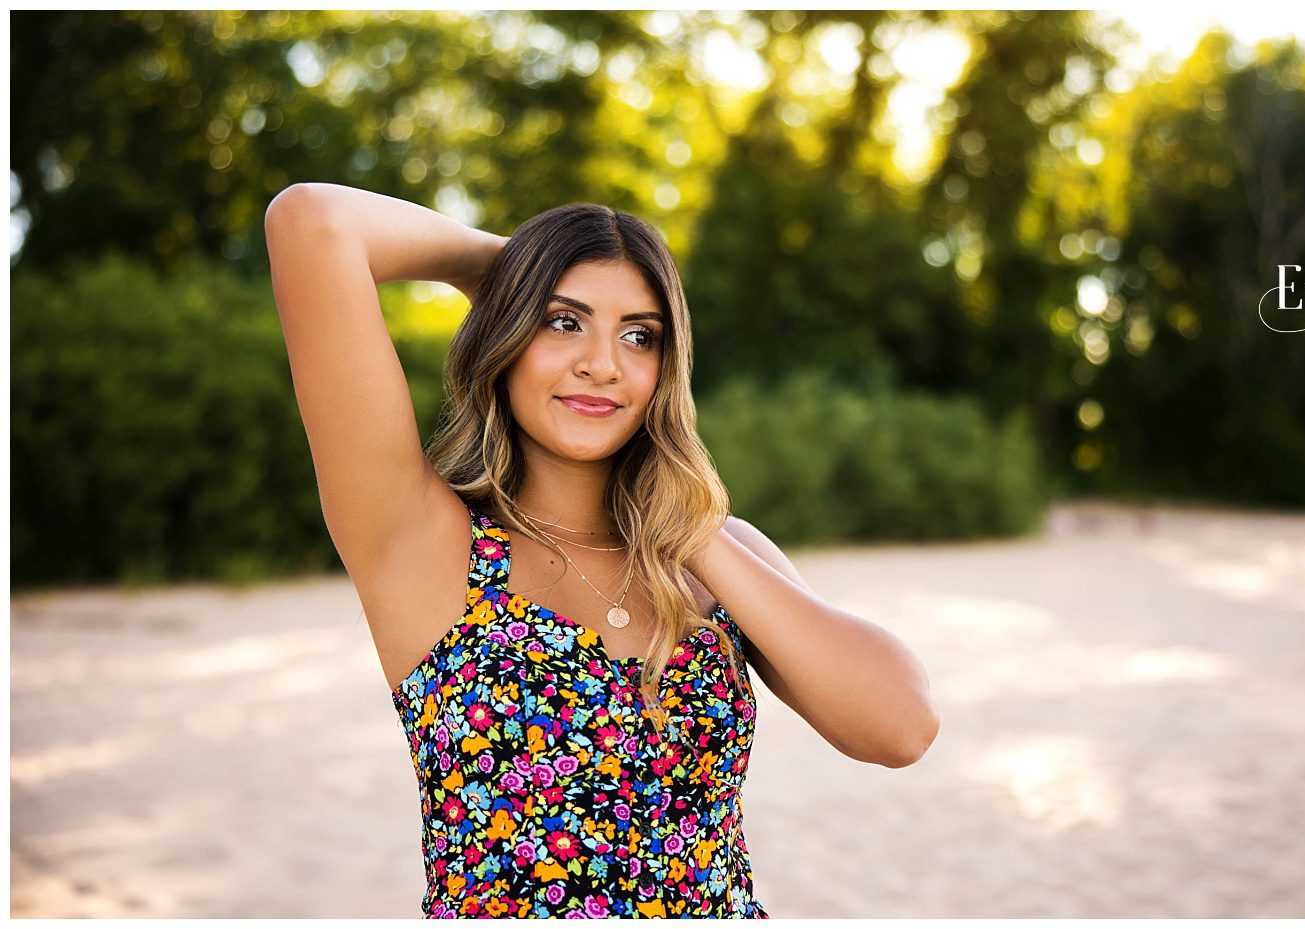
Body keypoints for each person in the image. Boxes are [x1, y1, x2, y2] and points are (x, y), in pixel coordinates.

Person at [264, 183, 940, 916]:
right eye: (563, 322)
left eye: (638, 335)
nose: (602, 364)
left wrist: (689, 528)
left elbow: (901, 727)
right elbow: (311, 222)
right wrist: (505, 268)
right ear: (507, 335)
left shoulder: (717, 555)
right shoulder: (424, 545)